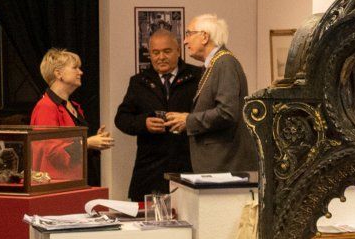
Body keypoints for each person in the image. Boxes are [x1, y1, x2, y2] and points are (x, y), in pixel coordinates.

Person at [115, 28, 202, 199]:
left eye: (166, 51)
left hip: (189, 167)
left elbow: (210, 115)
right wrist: (143, 123)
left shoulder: (198, 77)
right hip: (149, 171)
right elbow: (121, 118)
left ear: (178, 51)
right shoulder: (139, 82)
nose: (161, 57)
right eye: (155, 52)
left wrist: (188, 121)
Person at [169, 14, 259, 174]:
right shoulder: (214, 64)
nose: (185, 41)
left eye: (189, 34)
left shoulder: (224, 63)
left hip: (224, 164)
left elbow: (226, 113)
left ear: (204, 36)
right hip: (218, 163)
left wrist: (188, 120)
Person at [31, 48, 115, 184]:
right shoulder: (46, 107)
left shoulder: (74, 106)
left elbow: (72, 148)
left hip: (77, 180)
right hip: (57, 185)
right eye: (75, 68)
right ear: (58, 73)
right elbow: (52, 153)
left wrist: (93, 143)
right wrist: (88, 143)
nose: (80, 72)